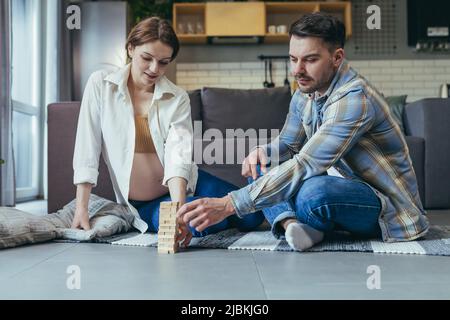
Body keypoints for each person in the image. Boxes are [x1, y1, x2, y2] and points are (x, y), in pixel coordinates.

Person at [177, 12, 429, 251]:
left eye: (310, 59)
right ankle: (294, 227)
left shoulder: (354, 100)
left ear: (337, 57)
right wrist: (262, 151)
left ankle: (297, 219)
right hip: (333, 184)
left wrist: (228, 204)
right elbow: (288, 144)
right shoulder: (305, 91)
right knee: (261, 167)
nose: (297, 70)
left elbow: (306, 164)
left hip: (387, 207)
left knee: (313, 193)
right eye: (293, 58)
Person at [72, 17, 264, 246]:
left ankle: (273, 217)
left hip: (191, 181)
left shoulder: (177, 97)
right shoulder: (101, 84)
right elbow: (87, 146)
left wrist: (179, 209)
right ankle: (213, 215)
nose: (155, 69)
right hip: (144, 204)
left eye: (163, 62)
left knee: (252, 212)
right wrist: (81, 208)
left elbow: (178, 155)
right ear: (131, 49)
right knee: (196, 222)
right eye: (147, 58)